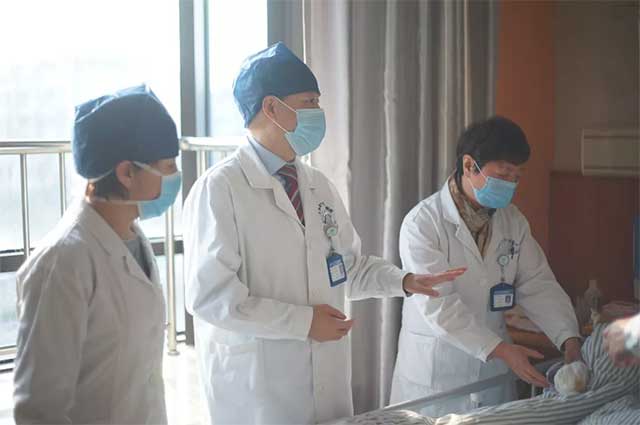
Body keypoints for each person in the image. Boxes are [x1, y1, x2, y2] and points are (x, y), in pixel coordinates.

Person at [182, 42, 465, 425]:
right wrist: (304, 323)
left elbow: (347, 268)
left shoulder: (317, 186)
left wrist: (404, 281)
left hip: (325, 379)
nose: (319, 113)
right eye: (309, 102)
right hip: (258, 390)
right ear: (271, 108)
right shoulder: (220, 188)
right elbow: (212, 297)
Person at [390, 116, 582, 416]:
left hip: (492, 379)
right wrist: (502, 350)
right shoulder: (423, 223)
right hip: (436, 379)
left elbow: (537, 284)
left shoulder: (512, 221)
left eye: (516, 177)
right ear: (469, 166)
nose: (510, 184)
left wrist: (568, 338)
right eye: (503, 174)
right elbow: (439, 306)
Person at [13, 85, 181, 424]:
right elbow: (39, 410)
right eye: (167, 165)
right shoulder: (61, 264)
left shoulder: (131, 237)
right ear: (126, 172)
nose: (175, 176)